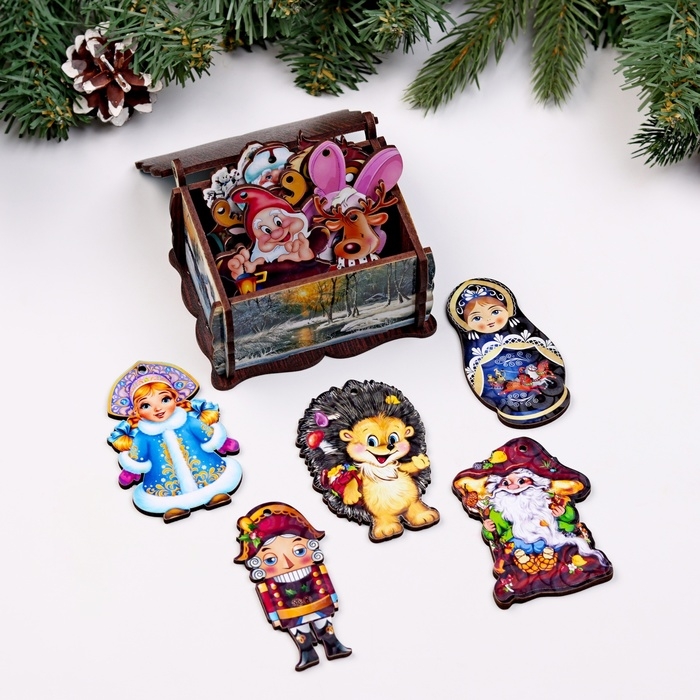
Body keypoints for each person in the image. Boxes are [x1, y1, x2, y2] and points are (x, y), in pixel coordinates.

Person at [107, 362, 242, 523]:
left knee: (212, 479)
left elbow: (204, 432)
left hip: (204, 466)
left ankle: (214, 494)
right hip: (162, 477)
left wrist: (222, 442)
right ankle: (173, 506)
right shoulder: (143, 436)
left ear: (175, 398)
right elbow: (138, 455)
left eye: (165, 399)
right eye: (146, 405)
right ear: (136, 412)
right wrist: (132, 470)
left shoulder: (187, 421)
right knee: (166, 493)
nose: (158, 409)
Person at [235, 502, 352, 672]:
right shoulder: (269, 584)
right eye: (270, 559)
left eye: (299, 551)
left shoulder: (316, 569)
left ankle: (333, 644)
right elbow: (267, 598)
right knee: (299, 630)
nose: (288, 563)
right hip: (288, 611)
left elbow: (326, 582)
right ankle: (307, 652)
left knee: (324, 623)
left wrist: (333, 599)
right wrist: (274, 617)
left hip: (320, 603)